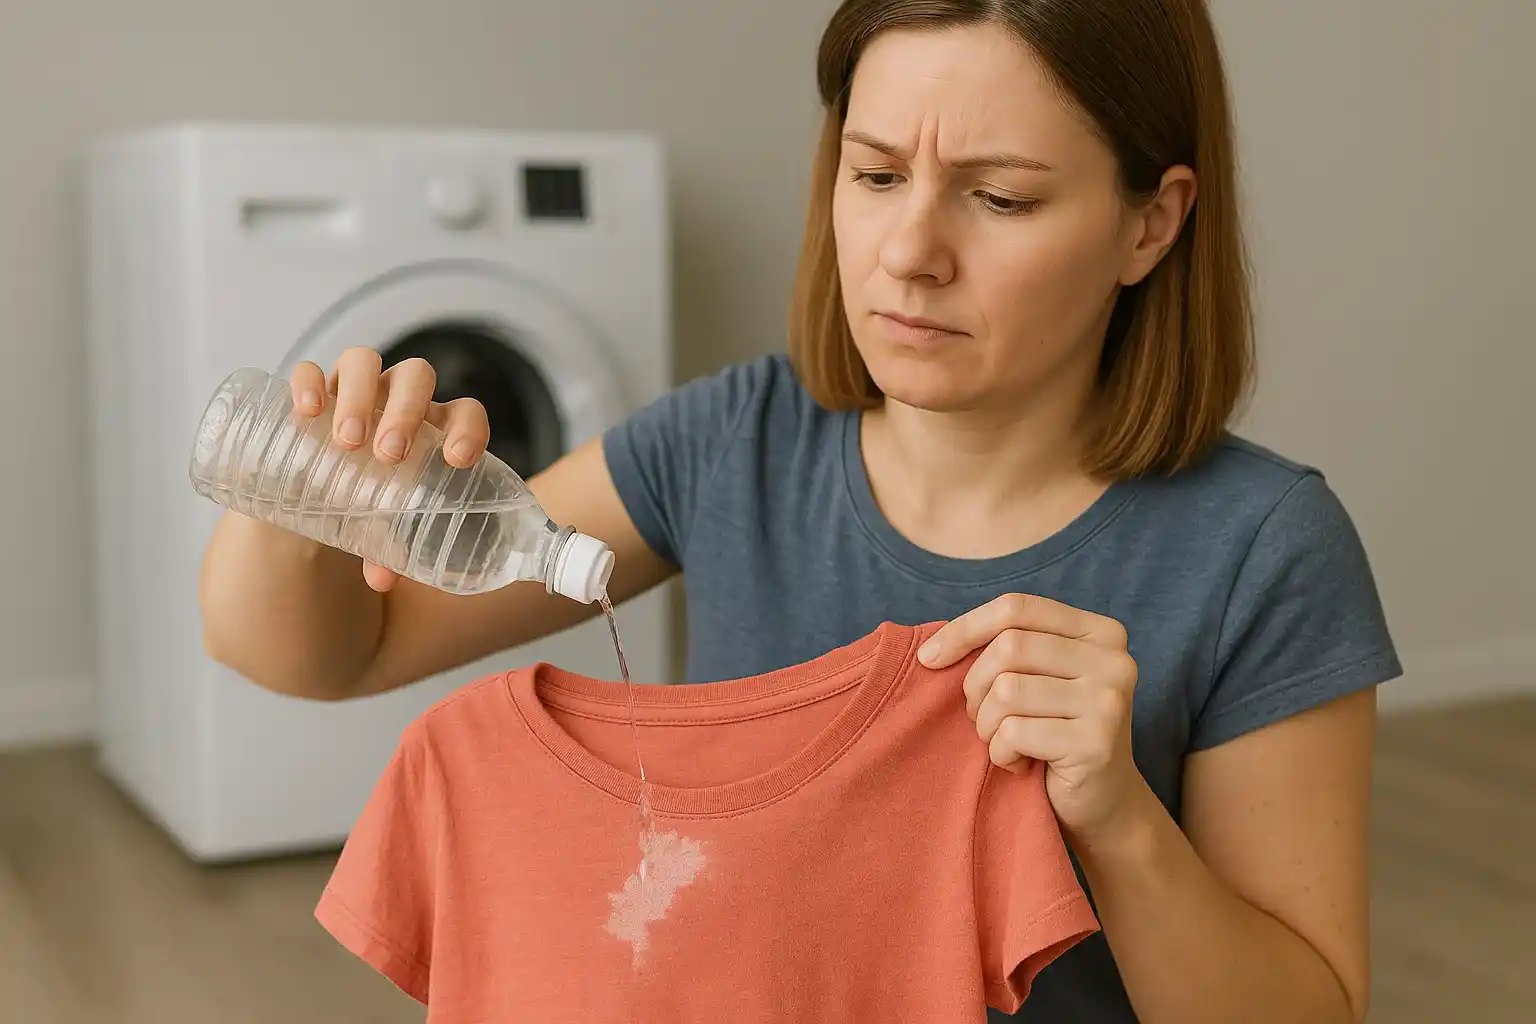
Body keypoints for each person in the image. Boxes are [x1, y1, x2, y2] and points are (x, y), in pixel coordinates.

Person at [199, 1, 1399, 1020]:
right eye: (875, 176)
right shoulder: (733, 444)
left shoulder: (1262, 549)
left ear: (1153, 221)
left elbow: (1306, 1006)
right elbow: (331, 653)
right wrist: (308, 491)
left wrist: (1119, 821)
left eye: (1001, 198)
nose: (909, 251)